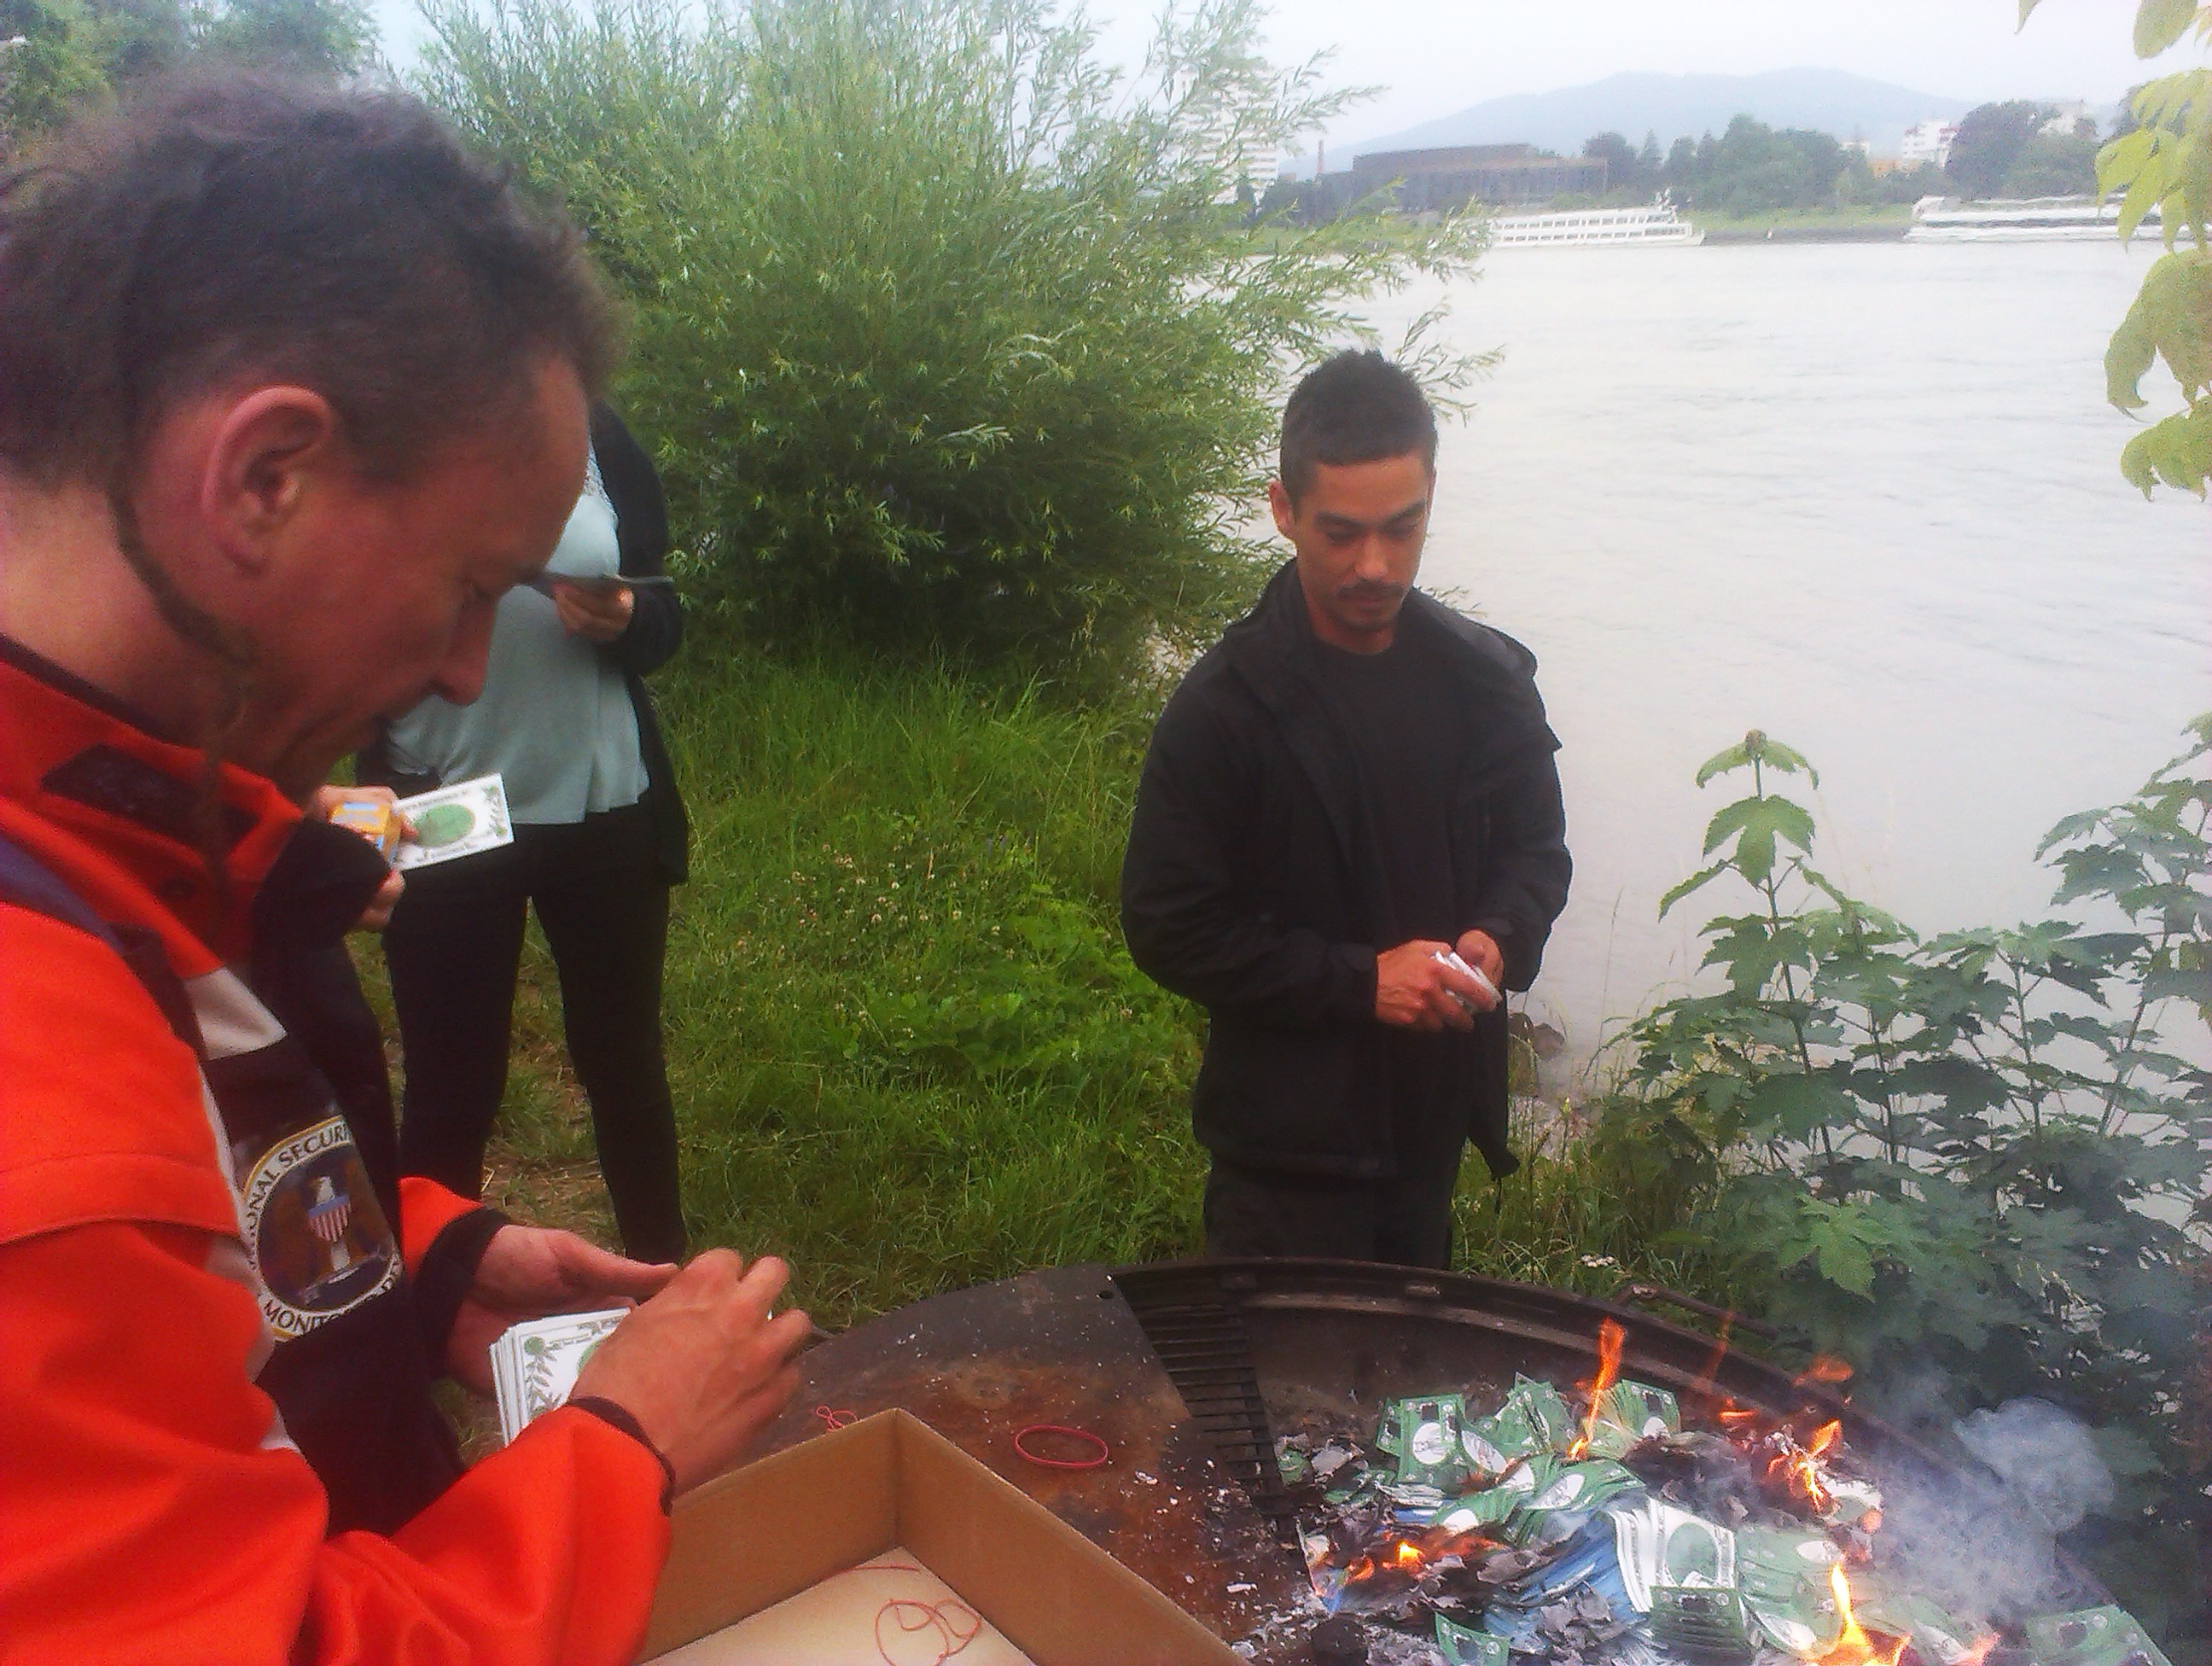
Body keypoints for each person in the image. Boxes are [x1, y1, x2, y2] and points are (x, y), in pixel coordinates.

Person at [0, 73, 810, 1663]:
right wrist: (618, 1448)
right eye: (461, 588)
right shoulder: (41, 1095)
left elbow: (188, 1214)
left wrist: (404, 1269)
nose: (458, 672)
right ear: (262, 476)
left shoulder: (104, 824)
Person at [1120, 350, 1571, 1269]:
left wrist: (1500, 932)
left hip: (1429, 1133)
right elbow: (1169, 925)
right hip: (1285, 1159)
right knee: (1281, 1409)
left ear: (1432, 494)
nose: (1375, 564)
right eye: (1340, 533)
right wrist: (1361, 981)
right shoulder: (1223, 710)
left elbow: (1536, 850)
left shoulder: (1485, 680)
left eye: (1402, 529)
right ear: (1283, 509)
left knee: (1413, 1401)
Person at [364, 401, 692, 1266]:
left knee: (625, 1066)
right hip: (443, 800)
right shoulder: (384, 422)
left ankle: (668, 1279)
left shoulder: (597, 433)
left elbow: (662, 611)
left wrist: (628, 621)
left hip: (604, 798)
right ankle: (430, 1304)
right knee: (450, 1086)